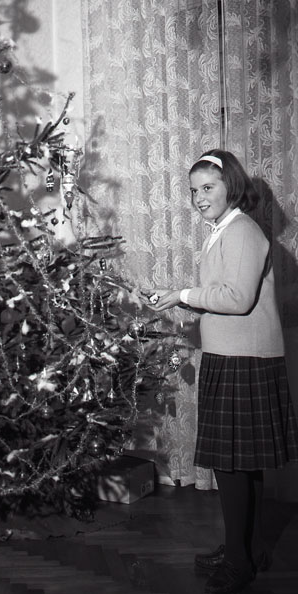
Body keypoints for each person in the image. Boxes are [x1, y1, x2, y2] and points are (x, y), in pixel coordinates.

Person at [145, 150, 298, 594]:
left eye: (207, 187)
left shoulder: (242, 231)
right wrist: (181, 296)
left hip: (243, 360)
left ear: (230, 185)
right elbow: (226, 295)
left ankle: (239, 563)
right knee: (241, 466)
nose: (198, 197)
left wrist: (182, 294)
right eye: (194, 190)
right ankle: (246, 548)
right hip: (230, 356)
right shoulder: (224, 231)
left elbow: (237, 298)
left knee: (233, 468)